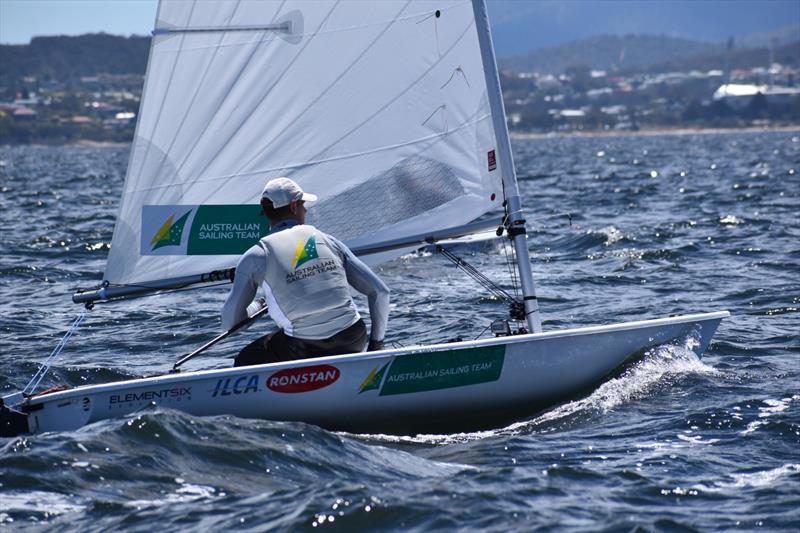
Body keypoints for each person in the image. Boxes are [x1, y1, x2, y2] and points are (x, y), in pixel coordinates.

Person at [222, 177, 389, 366]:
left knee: (245, 360)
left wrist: (258, 306)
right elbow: (380, 292)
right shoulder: (328, 240)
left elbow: (230, 323)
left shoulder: (255, 256)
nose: (305, 209)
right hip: (353, 339)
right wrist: (376, 345)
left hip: (303, 348)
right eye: (303, 204)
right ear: (293, 206)